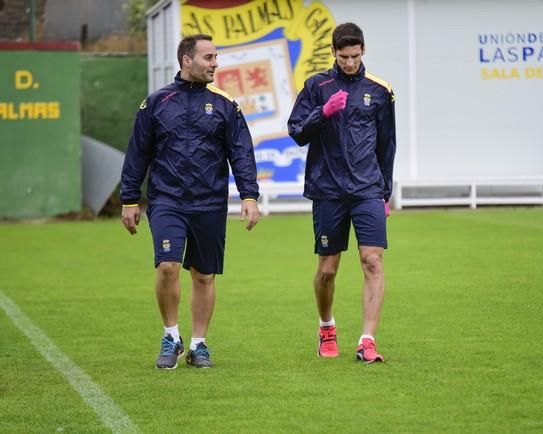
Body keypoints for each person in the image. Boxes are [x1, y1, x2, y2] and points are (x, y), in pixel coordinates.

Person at [120, 34, 260, 369]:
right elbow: (138, 152)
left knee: (203, 275)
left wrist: (249, 195)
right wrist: (129, 199)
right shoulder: (156, 103)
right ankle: (171, 336)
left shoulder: (226, 105)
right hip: (167, 199)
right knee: (167, 266)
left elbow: (241, 152)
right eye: (209, 57)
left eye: (216, 57)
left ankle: (199, 345)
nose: (215, 64)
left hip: (210, 202)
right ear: (187, 60)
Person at [287, 23, 396, 363]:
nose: (350, 62)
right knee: (328, 269)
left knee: (372, 261)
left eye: (356, 56)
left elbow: (387, 144)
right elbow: (296, 132)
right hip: (328, 189)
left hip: (367, 189)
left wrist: (385, 192)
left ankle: (367, 340)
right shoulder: (316, 86)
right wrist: (323, 112)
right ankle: (326, 326)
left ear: (363, 51)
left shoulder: (380, 90)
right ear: (333, 52)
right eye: (344, 56)